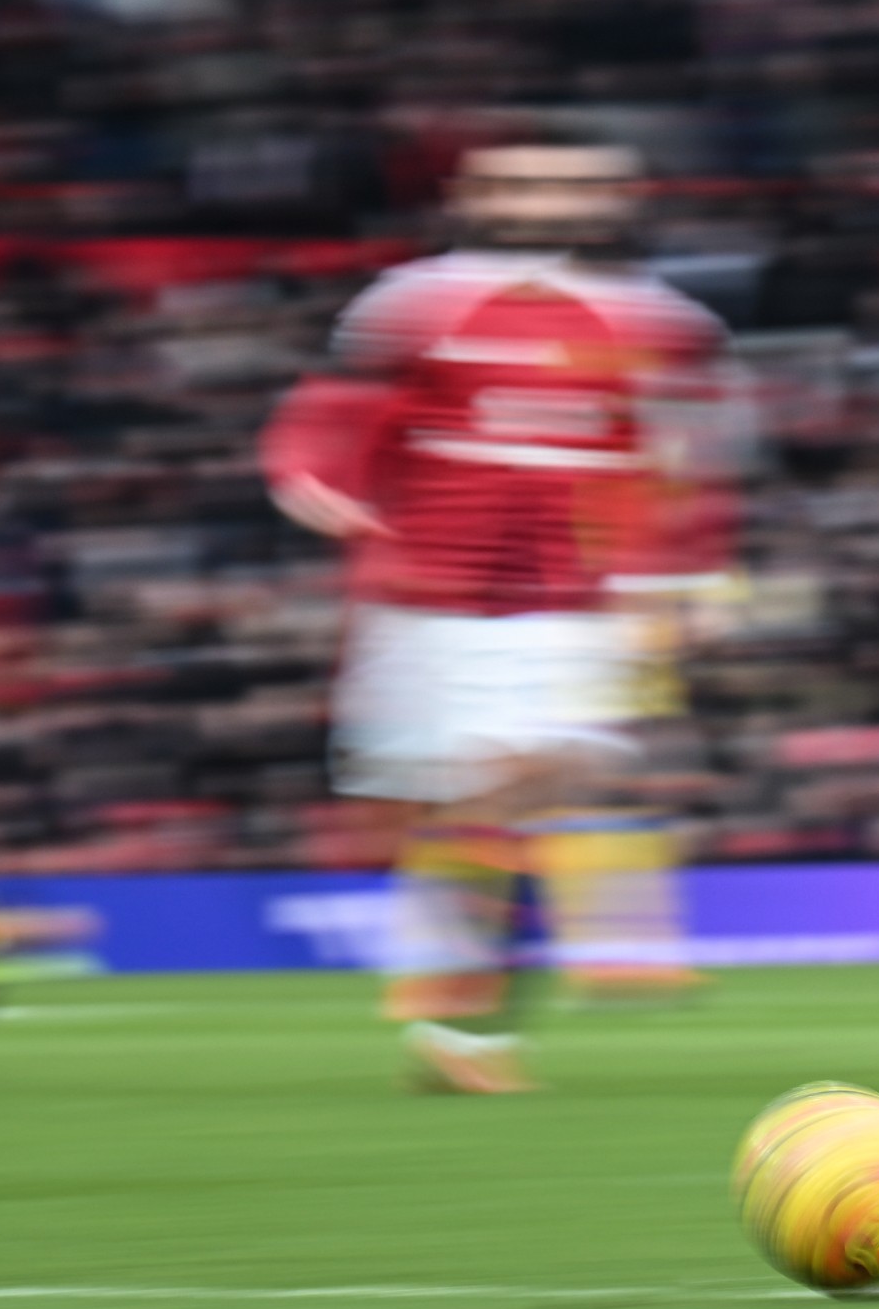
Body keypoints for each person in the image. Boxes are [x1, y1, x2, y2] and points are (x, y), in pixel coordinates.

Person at [260, 143, 738, 1093]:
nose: (546, 203)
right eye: (522, 183)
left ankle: (469, 1018)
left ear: (613, 197)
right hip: (427, 594)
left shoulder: (662, 321)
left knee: (535, 776)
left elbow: (685, 462)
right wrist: (309, 477)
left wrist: (695, 578)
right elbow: (332, 413)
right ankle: (504, 995)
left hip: (572, 604)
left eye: (570, 184)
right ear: (473, 196)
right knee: (463, 801)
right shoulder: (410, 303)